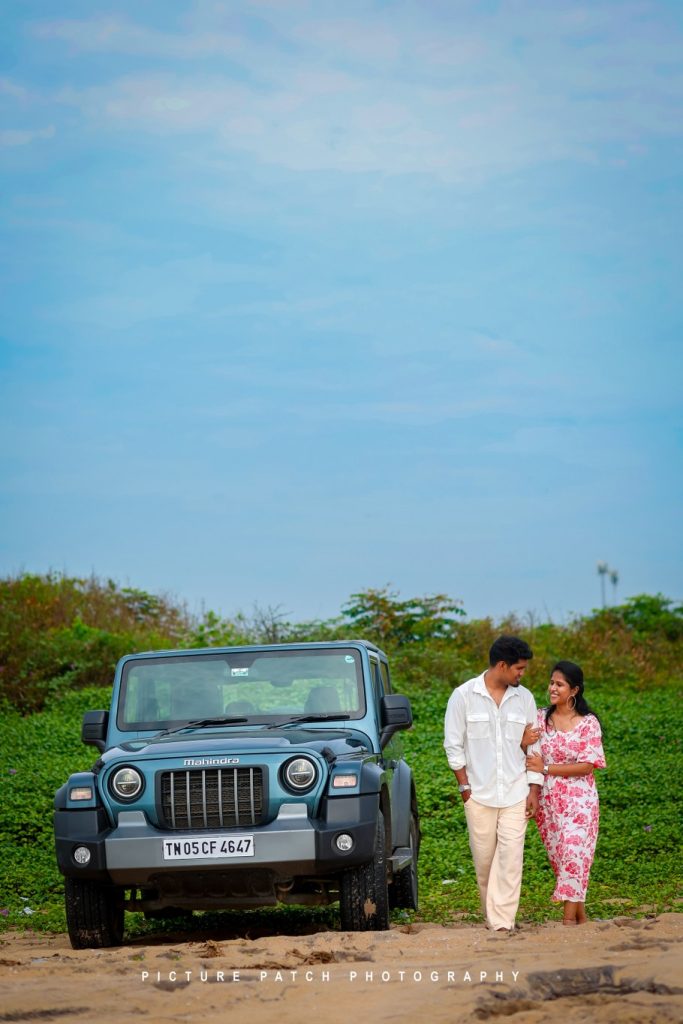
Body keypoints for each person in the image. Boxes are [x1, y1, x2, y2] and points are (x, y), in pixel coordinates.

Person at [444, 636, 543, 932]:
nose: (522, 674)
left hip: (516, 792)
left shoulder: (524, 698)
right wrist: (465, 789)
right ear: (502, 665)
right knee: (485, 863)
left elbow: (535, 748)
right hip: (478, 794)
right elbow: (453, 746)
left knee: (510, 859)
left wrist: (534, 789)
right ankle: (493, 918)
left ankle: (502, 924)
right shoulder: (463, 696)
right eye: (519, 668)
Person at [524, 660, 606, 926]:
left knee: (573, 854)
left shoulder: (588, 723)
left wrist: (547, 768)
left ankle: (568, 921)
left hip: (580, 800)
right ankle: (581, 918)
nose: (552, 688)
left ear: (574, 690)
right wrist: (533, 792)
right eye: (551, 682)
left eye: (559, 684)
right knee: (564, 861)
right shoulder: (540, 718)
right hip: (549, 801)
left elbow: (587, 765)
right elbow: (529, 753)